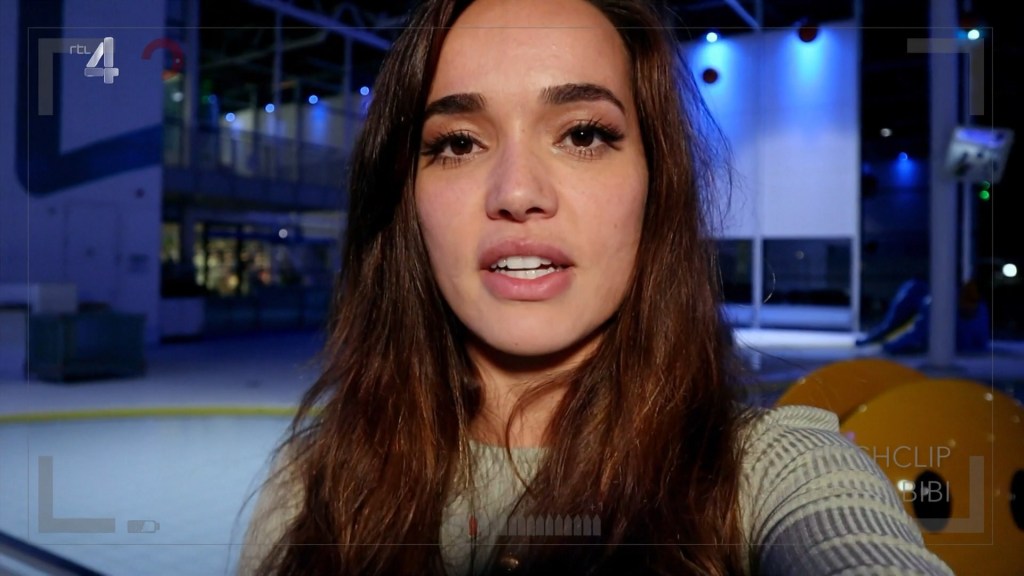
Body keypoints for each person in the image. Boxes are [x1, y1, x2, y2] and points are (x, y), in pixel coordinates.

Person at [239, 0, 954, 574]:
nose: (517, 192)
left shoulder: (773, 475)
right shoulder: (315, 483)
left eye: (582, 134)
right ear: (407, 199)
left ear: (655, 185)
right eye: (458, 142)